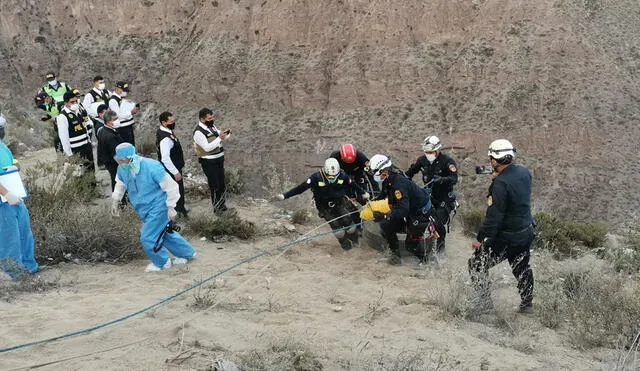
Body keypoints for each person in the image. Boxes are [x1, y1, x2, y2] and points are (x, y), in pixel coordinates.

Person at [468, 139, 535, 314]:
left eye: (491, 158)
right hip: (526, 231)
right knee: (521, 266)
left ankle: (484, 303)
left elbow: (494, 217)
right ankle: (527, 304)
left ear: (496, 160)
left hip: (507, 236)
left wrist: (480, 239)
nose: (490, 162)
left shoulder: (500, 183)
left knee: (476, 264)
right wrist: (499, 177)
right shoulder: (524, 172)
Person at [111, 143, 196, 272]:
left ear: (131, 157)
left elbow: (171, 186)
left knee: (148, 237)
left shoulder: (152, 166)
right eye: (118, 160)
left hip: (159, 207)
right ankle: (186, 253)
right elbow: (120, 184)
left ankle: (161, 262)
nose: (120, 163)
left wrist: (171, 206)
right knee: (164, 233)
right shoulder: (123, 168)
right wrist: (115, 200)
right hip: (143, 208)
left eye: (122, 160)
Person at [275, 158, 369, 250]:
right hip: (324, 207)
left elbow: (353, 184)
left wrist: (363, 193)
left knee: (349, 223)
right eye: (330, 177)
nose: (332, 179)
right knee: (338, 230)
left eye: (334, 176)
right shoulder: (316, 178)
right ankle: (346, 247)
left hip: (340, 203)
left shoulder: (342, 176)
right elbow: (300, 189)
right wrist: (284, 196)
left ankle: (356, 242)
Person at [368, 154, 432, 265]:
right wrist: (372, 202)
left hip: (420, 214)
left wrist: (384, 215)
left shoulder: (398, 185)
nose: (374, 175)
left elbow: (403, 210)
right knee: (386, 226)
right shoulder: (388, 179)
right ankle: (395, 256)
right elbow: (384, 194)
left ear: (384, 171)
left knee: (410, 244)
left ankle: (425, 262)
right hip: (407, 209)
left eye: (375, 172)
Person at [405, 135, 458, 261]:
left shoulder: (448, 162)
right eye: (426, 152)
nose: (428, 154)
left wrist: (442, 179)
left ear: (437, 150)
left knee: (438, 224)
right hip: (428, 198)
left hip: (444, 199)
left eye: (430, 152)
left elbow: (454, 179)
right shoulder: (422, 160)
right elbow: (409, 173)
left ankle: (441, 253)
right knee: (418, 222)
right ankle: (420, 251)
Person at [0, 141, 38, 279]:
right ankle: (14, 274)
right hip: (3, 201)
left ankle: (29, 267)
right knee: (9, 239)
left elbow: (14, 161)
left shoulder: (2, 146)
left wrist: (14, 166)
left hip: (15, 194)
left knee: (24, 233)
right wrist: (5, 194)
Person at [193, 108, 230, 214]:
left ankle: (222, 206)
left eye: (212, 117)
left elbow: (220, 136)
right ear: (202, 119)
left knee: (222, 184)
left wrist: (226, 134)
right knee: (215, 186)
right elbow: (207, 148)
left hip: (219, 159)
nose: (212, 119)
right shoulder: (198, 132)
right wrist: (220, 138)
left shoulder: (212, 127)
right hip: (209, 162)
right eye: (209, 118)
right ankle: (217, 209)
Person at [156, 111, 188, 218]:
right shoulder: (165, 138)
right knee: (177, 191)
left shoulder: (165, 131)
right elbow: (165, 158)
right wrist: (175, 172)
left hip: (172, 167)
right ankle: (179, 212)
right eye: (171, 121)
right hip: (171, 169)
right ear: (164, 122)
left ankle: (179, 210)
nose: (173, 123)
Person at [56, 91, 95, 175]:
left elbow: (85, 127)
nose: (75, 103)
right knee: (80, 174)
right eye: (72, 102)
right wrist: (69, 154)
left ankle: (93, 187)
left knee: (91, 170)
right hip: (76, 150)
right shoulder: (63, 116)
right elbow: (64, 138)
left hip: (86, 146)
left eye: (75, 101)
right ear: (66, 103)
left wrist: (89, 142)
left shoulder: (78, 111)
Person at [97, 110, 125, 190]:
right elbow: (116, 154)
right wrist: (127, 165)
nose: (117, 121)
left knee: (115, 179)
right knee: (118, 181)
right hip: (113, 163)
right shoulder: (109, 136)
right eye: (115, 119)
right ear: (109, 122)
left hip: (108, 161)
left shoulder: (103, 130)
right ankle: (121, 200)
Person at [108, 81, 139, 145]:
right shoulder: (113, 100)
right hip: (122, 128)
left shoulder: (121, 98)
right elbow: (117, 115)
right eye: (124, 90)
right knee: (126, 147)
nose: (125, 92)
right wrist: (131, 112)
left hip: (128, 126)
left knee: (131, 146)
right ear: (117, 89)